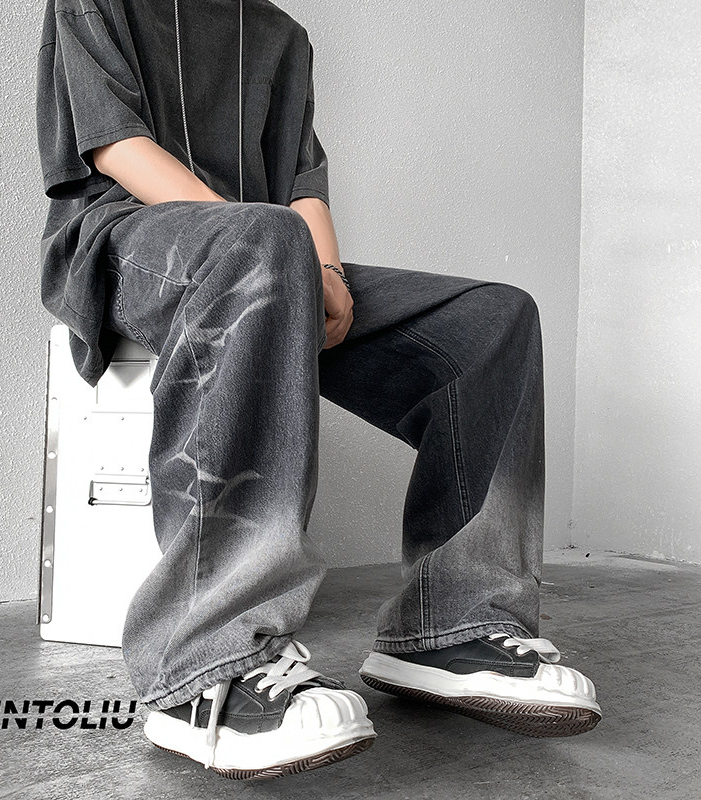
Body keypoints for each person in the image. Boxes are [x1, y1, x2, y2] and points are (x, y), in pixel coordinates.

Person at [35, 0, 602, 780]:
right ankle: (204, 666)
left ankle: (454, 624)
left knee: (491, 319)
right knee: (261, 239)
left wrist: (324, 270)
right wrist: (279, 251)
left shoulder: (280, 35)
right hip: (128, 242)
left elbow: (304, 188)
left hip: (266, 254)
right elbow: (116, 146)